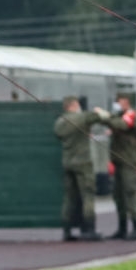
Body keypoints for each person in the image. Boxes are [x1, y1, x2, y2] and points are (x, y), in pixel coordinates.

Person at [53, 96, 104, 241]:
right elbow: (98, 117)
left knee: (69, 198)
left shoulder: (59, 122)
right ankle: (90, 230)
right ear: (74, 105)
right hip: (83, 162)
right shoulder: (82, 118)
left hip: (68, 162)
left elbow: (58, 135)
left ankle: (67, 231)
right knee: (88, 195)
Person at [107, 92, 136, 240]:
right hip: (118, 160)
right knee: (118, 195)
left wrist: (105, 117)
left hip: (129, 161)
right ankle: (122, 228)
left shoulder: (131, 114)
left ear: (127, 101)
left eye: (120, 100)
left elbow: (122, 124)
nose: (118, 102)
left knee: (130, 193)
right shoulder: (118, 115)